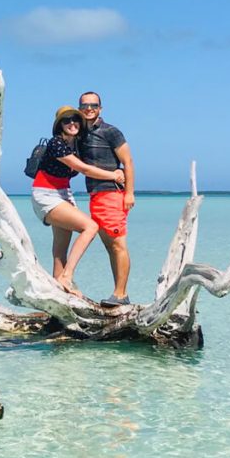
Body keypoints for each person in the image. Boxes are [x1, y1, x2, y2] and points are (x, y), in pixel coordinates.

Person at [31, 105, 125, 297]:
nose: (72, 123)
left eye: (75, 119)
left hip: (64, 193)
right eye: (66, 120)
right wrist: (114, 176)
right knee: (90, 227)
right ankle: (67, 276)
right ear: (59, 125)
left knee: (60, 250)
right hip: (46, 195)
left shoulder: (76, 144)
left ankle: (57, 295)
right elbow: (85, 169)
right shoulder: (56, 144)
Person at [77, 91, 135, 307]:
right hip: (95, 195)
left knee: (118, 244)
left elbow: (128, 162)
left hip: (112, 193)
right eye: (85, 105)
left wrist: (129, 192)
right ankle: (118, 293)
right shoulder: (81, 133)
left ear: (100, 108)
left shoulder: (110, 131)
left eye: (93, 105)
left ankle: (121, 295)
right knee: (110, 246)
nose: (89, 108)